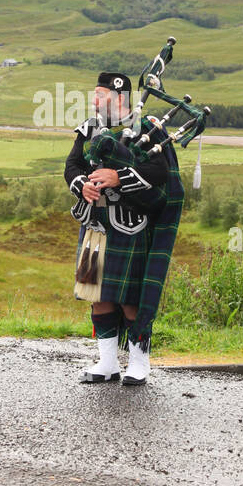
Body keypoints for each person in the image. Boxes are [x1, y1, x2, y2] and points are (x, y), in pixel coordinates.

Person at [64, 70, 184, 385]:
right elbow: (73, 165)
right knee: (98, 294)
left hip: (132, 224)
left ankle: (139, 364)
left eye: (100, 95)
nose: (94, 100)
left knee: (131, 297)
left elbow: (158, 172)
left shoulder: (147, 128)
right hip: (95, 223)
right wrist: (82, 187)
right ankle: (107, 363)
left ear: (119, 98)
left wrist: (118, 177)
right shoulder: (90, 129)